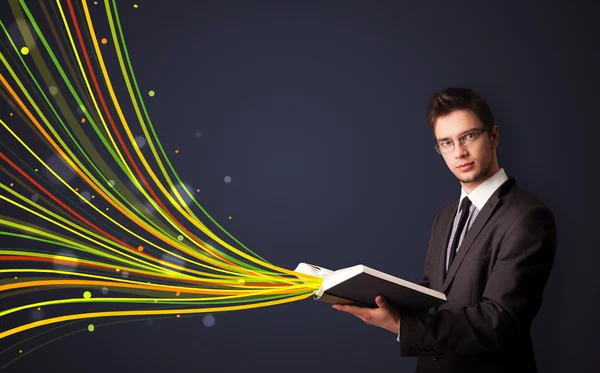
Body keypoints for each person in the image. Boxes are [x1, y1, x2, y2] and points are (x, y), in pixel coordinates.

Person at [332, 87, 556, 372]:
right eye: (446, 143)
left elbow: (500, 320)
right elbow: (434, 295)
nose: (459, 152)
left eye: (469, 136)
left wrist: (403, 325)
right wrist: (372, 296)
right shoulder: (445, 217)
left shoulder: (528, 216)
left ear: (494, 136)